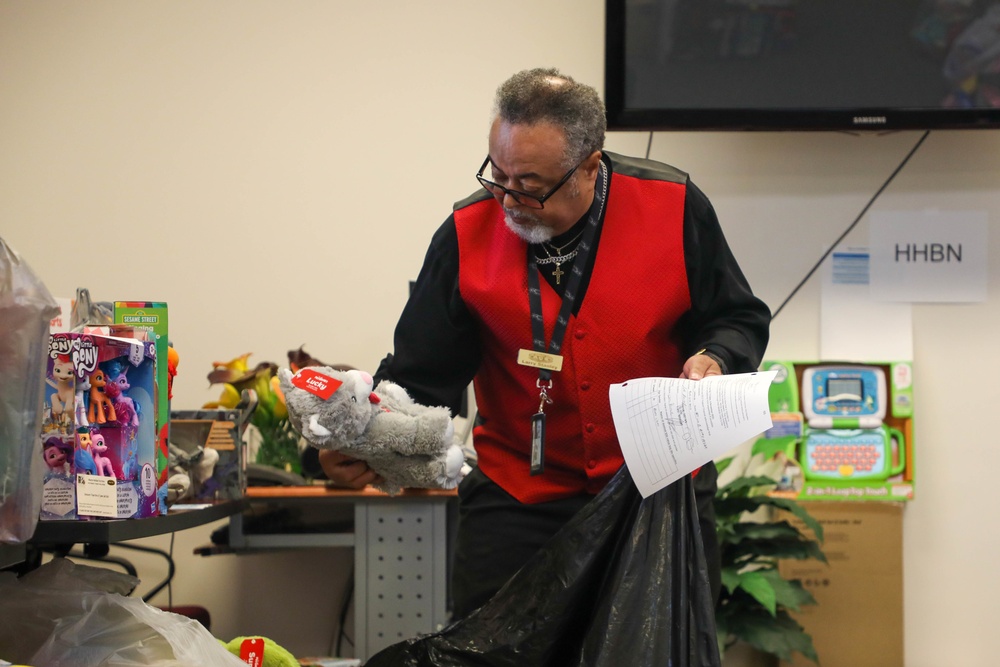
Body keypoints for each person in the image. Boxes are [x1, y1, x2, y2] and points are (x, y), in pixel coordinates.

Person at [319, 67, 770, 620]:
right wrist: (359, 441)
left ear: (589, 165)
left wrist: (716, 358)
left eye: (530, 185)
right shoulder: (465, 233)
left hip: (656, 495)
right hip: (516, 500)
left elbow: (737, 317)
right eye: (498, 174)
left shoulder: (673, 206)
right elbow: (419, 375)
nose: (509, 198)